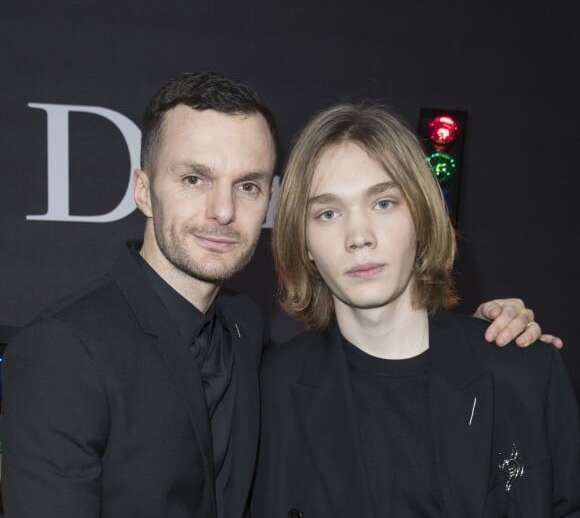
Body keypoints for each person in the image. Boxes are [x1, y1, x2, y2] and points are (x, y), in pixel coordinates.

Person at [1, 74, 550, 518]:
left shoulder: (246, 335)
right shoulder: (64, 351)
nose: (222, 210)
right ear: (144, 190)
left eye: (247, 185)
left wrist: (494, 329)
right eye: (194, 179)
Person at [251, 104, 579, 517]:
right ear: (305, 244)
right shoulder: (267, 391)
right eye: (328, 213)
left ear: (421, 218)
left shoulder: (526, 374)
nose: (359, 237)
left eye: (383, 203)